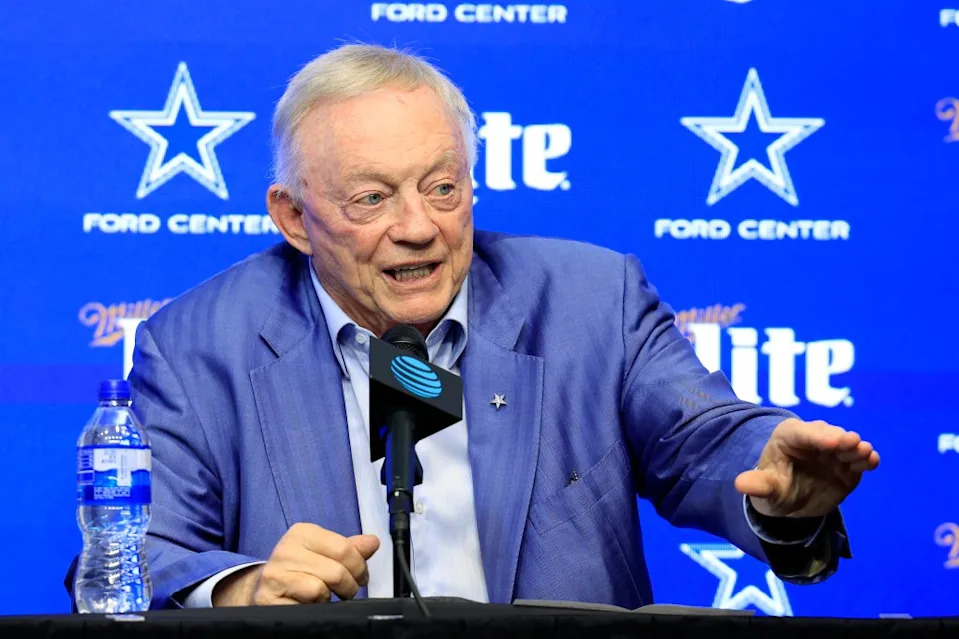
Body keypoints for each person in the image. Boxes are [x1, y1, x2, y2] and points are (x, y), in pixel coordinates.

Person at [67, 44, 879, 610]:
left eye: (443, 187)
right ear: (294, 217)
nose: (418, 227)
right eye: (371, 199)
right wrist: (242, 586)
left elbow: (705, 441)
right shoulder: (198, 342)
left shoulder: (590, 299)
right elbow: (127, 555)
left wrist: (780, 491)